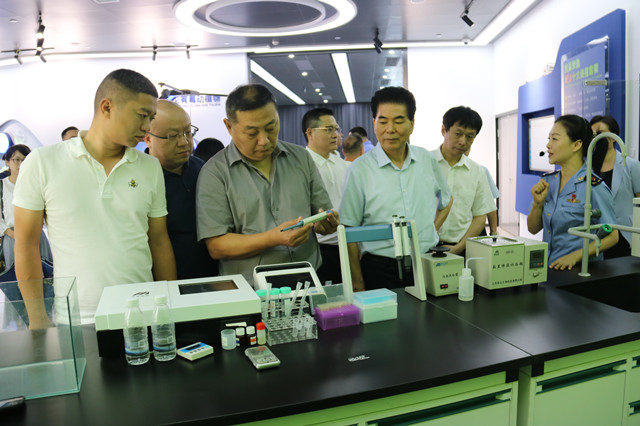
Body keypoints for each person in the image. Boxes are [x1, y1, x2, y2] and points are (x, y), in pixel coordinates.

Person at [14, 69, 177, 326]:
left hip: (141, 315)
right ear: (107, 107)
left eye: (151, 118)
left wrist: (170, 307)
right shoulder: (43, 162)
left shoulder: (149, 167)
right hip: (76, 322)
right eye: (142, 115)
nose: (147, 127)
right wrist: (37, 319)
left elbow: (158, 241)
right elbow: (26, 245)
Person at [196, 84, 338, 284]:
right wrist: (273, 238)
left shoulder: (300, 158)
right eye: (252, 133)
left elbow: (321, 215)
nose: (264, 140)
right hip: (250, 289)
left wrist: (326, 224)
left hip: (308, 282)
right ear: (229, 126)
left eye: (271, 128)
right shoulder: (215, 173)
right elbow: (217, 246)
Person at [340, 87, 452, 291]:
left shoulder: (426, 160)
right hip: (380, 268)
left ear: (412, 124)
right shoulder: (359, 170)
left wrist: (430, 229)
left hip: (427, 262)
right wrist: (357, 281)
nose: (390, 129)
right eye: (383, 121)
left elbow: (447, 200)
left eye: (398, 121)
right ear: (374, 123)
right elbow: (349, 229)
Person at [528, 114, 618, 270]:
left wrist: (576, 256)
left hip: (580, 272)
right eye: (549, 139)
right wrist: (537, 204)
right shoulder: (548, 182)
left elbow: (612, 236)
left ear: (576, 145)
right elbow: (533, 229)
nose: (548, 145)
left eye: (555, 139)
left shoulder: (593, 187)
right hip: (550, 268)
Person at [145, 100, 218, 279]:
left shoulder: (202, 168)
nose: (184, 142)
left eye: (188, 132)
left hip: (213, 276)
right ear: (148, 139)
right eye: (172, 136)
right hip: (165, 280)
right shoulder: (140, 178)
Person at [431, 106, 496, 255]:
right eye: (458, 134)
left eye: (470, 136)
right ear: (444, 130)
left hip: (461, 248)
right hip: (425, 247)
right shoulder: (425, 163)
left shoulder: (476, 171)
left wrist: (459, 247)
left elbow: (480, 217)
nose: (463, 141)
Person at [302, 108, 349, 284]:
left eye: (336, 129)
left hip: (345, 245)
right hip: (319, 249)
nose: (335, 134)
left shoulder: (341, 163)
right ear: (310, 133)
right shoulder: (302, 165)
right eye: (328, 129)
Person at [589, 115, 640, 258]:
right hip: (595, 234)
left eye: (600, 133)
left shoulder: (631, 165)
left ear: (613, 137)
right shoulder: (587, 167)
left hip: (625, 234)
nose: (596, 139)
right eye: (593, 135)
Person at [0, 144, 52, 272]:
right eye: (17, 160)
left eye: (25, 160)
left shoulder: (37, 184)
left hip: (36, 235)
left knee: (44, 272)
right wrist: (11, 233)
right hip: (13, 236)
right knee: (17, 275)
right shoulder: (2, 185)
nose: (21, 164)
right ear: (7, 162)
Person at [465, 147, 500, 235]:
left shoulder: (481, 170)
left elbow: (489, 205)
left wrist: (494, 233)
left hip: (476, 227)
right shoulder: (440, 170)